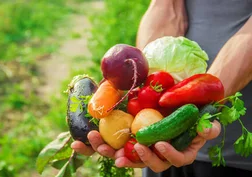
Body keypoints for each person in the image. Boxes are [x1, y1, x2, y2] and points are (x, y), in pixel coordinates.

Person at [71, 0, 252, 176]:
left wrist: (207, 95)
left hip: (234, 149)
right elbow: (166, 6)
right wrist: (142, 78)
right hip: (163, 132)